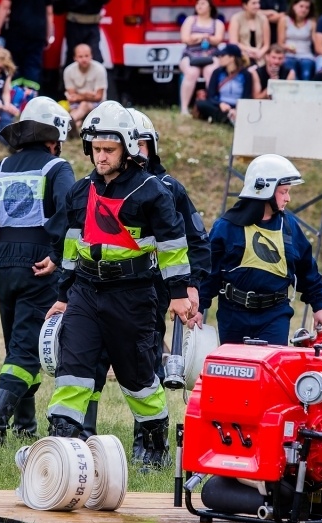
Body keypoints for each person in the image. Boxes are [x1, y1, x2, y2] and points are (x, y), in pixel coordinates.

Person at [43, 101, 192, 472]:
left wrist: (177, 294)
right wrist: (63, 297)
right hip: (85, 292)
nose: (101, 157)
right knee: (73, 368)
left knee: (138, 375)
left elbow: (173, 245)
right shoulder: (80, 192)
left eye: (109, 150)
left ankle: (154, 444)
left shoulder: (152, 191)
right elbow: (70, 248)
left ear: (127, 148)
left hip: (134, 295)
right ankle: (63, 445)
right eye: (96, 149)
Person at [78, 108, 211, 467]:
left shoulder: (166, 189)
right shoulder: (93, 186)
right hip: (98, 288)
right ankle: (80, 439)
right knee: (86, 364)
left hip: (150, 292)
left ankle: (147, 444)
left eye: (142, 144)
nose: (137, 151)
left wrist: (189, 287)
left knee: (140, 366)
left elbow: (194, 241)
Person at [0, 96, 75, 447]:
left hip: (3, 261)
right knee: (25, 350)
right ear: (54, 139)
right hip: (39, 263)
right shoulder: (57, 168)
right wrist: (56, 252)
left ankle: (25, 425)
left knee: (19, 345)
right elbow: (71, 210)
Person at [190, 154, 322, 346]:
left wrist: (319, 305)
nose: (288, 198)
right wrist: (199, 307)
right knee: (235, 372)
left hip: (275, 316)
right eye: (283, 192)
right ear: (265, 190)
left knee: (269, 373)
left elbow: (307, 270)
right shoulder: (227, 227)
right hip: (233, 316)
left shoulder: (290, 228)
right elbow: (209, 273)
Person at [0, 0, 53, 91]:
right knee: (33, 66)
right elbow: (49, 12)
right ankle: (31, 97)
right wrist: (49, 34)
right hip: (37, 33)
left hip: (17, 31)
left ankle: (15, 97)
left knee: (14, 64)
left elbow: (5, 6)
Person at [178, 0, 225, 116]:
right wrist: (204, 36)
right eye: (198, 3)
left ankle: (211, 106)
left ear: (210, 7)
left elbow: (218, 39)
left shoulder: (217, 23)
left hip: (211, 54)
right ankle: (184, 108)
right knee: (191, 73)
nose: (199, 6)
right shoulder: (190, 20)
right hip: (190, 54)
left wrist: (196, 37)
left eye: (203, 3)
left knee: (211, 72)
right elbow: (185, 39)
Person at [193, 43, 252, 124]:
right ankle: (227, 119)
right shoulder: (217, 72)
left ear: (232, 57)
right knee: (201, 104)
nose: (220, 58)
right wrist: (220, 104)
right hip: (221, 106)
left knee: (246, 111)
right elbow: (211, 95)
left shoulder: (245, 74)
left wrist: (237, 109)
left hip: (237, 106)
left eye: (223, 56)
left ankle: (223, 118)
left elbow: (246, 96)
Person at [63, 43, 107, 132]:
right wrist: (88, 95)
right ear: (75, 58)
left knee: (84, 104)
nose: (84, 59)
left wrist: (79, 96)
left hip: (97, 105)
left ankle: (66, 124)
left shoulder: (99, 69)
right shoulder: (68, 71)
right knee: (78, 120)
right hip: (76, 104)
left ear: (91, 56)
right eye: (80, 56)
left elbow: (99, 97)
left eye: (87, 56)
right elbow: (72, 97)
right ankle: (73, 125)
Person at [57, 0, 108, 66]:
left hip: (92, 24)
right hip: (74, 24)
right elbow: (57, 7)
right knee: (74, 58)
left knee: (94, 59)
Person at [277, 0, 316, 81]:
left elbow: (315, 43)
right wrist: (287, 48)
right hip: (288, 54)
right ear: (294, 6)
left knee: (306, 74)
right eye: (301, 6)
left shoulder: (312, 23)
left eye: (307, 8)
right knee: (292, 73)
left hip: (306, 55)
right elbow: (280, 43)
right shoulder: (284, 20)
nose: (304, 10)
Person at [229, 0, 272, 66]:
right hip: (242, 57)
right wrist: (252, 50)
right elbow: (234, 42)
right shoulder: (236, 18)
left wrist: (260, 53)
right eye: (254, 3)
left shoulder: (263, 19)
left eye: (258, 3)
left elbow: (266, 45)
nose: (257, 6)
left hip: (260, 57)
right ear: (245, 5)